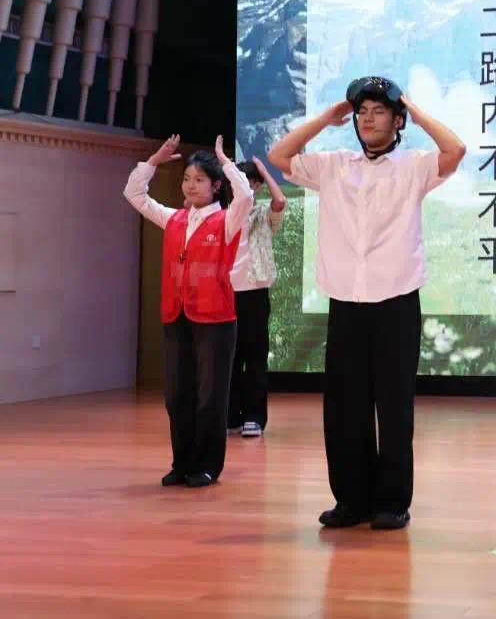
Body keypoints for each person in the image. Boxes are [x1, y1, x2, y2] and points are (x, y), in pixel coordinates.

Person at [267, 76, 466, 529]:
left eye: (379, 111)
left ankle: (392, 502)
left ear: (398, 121)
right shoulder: (335, 164)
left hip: (396, 302)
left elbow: (455, 150)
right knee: (344, 407)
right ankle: (351, 500)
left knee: (393, 407)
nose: (367, 119)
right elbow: (279, 157)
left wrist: (412, 107)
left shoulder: (414, 166)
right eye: (361, 112)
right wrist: (326, 117)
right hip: (346, 301)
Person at [123, 134, 252, 488]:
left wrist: (225, 162)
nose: (191, 185)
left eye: (199, 180)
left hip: (215, 318)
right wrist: (153, 161)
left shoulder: (226, 220)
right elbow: (134, 194)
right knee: (177, 396)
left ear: (216, 186)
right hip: (176, 316)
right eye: (186, 179)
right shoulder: (174, 218)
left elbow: (246, 196)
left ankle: (207, 466)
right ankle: (181, 463)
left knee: (210, 397)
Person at [227, 156, 286, 438]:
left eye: (248, 182)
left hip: (254, 293)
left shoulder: (262, 213)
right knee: (230, 357)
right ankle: (230, 415)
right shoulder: (224, 214)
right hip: (227, 291)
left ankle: (254, 417)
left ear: (256, 185)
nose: (241, 187)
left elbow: (280, 201)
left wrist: (263, 170)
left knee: (255, 357)